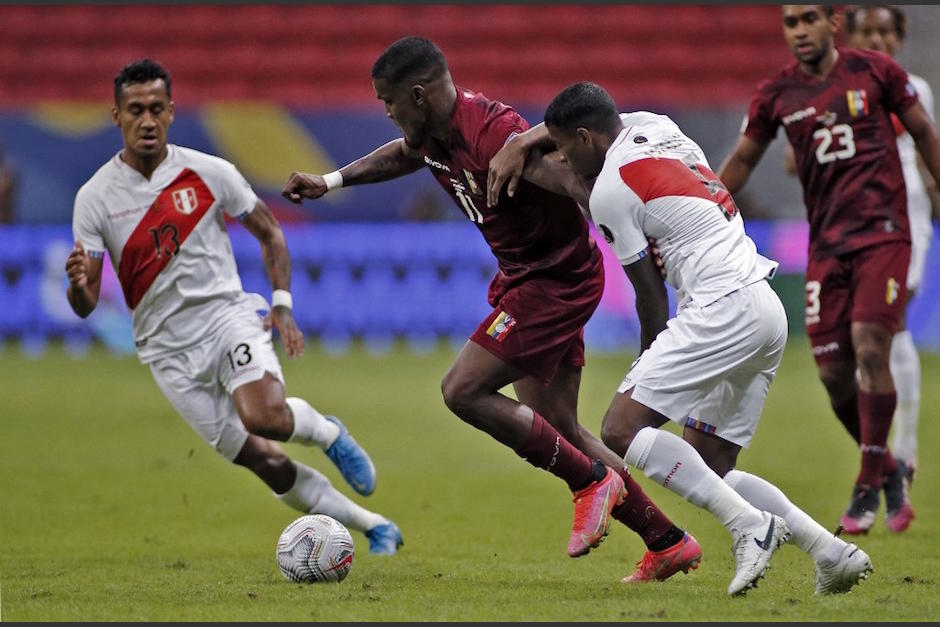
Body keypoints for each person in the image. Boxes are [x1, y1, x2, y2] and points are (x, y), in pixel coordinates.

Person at [282, 36, 704, 584]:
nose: (384, 112)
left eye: (388, 101)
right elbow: (407, 155)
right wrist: (333, 181)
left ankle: (592, 482)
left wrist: (642, 244)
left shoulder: (491, 135)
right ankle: (667, 541)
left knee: (462, 390)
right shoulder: (431, 134)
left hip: (555, 281)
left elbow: (575, 179)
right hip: (526, 278)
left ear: (416, 95)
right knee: (558, 429)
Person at [489, 80, 874, 596]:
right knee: (712, 466)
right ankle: (832, 552)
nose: (559, 158)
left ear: (583, 138)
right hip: (763, 302)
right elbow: (601, 114)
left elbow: (650, 296)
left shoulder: (607, 192)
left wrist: (644, 368)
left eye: (560, 146)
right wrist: (522, 141)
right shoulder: (655, 124)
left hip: (720, 306)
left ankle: (750, 528)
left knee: (622, 429)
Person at [65, 59, 403, 555]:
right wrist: (76, 284)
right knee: (264, 461)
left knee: (263, 416)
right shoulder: (94, 199)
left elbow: (269, 231)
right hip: (166, 352)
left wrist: (282, 304)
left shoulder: (208, 173)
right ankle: (374, 526)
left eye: (157, 109)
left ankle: (329, 433)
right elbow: (86, 303)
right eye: (135, 110)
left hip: (227, 319)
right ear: (116, 115)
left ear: (172, 111)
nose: (147, 121)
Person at [717, 5, 940, 535]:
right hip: (827, 245)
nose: (800, 31)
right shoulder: (776, 94)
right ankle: (887, 468)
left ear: (833, 25)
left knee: (870, 343)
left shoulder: (878, 73)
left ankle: (866, 482)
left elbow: (924, 132)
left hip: (884, 234)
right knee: (834, 375)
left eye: (809, 19)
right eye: (790, 23)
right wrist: (706, 208)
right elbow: (745, 161)